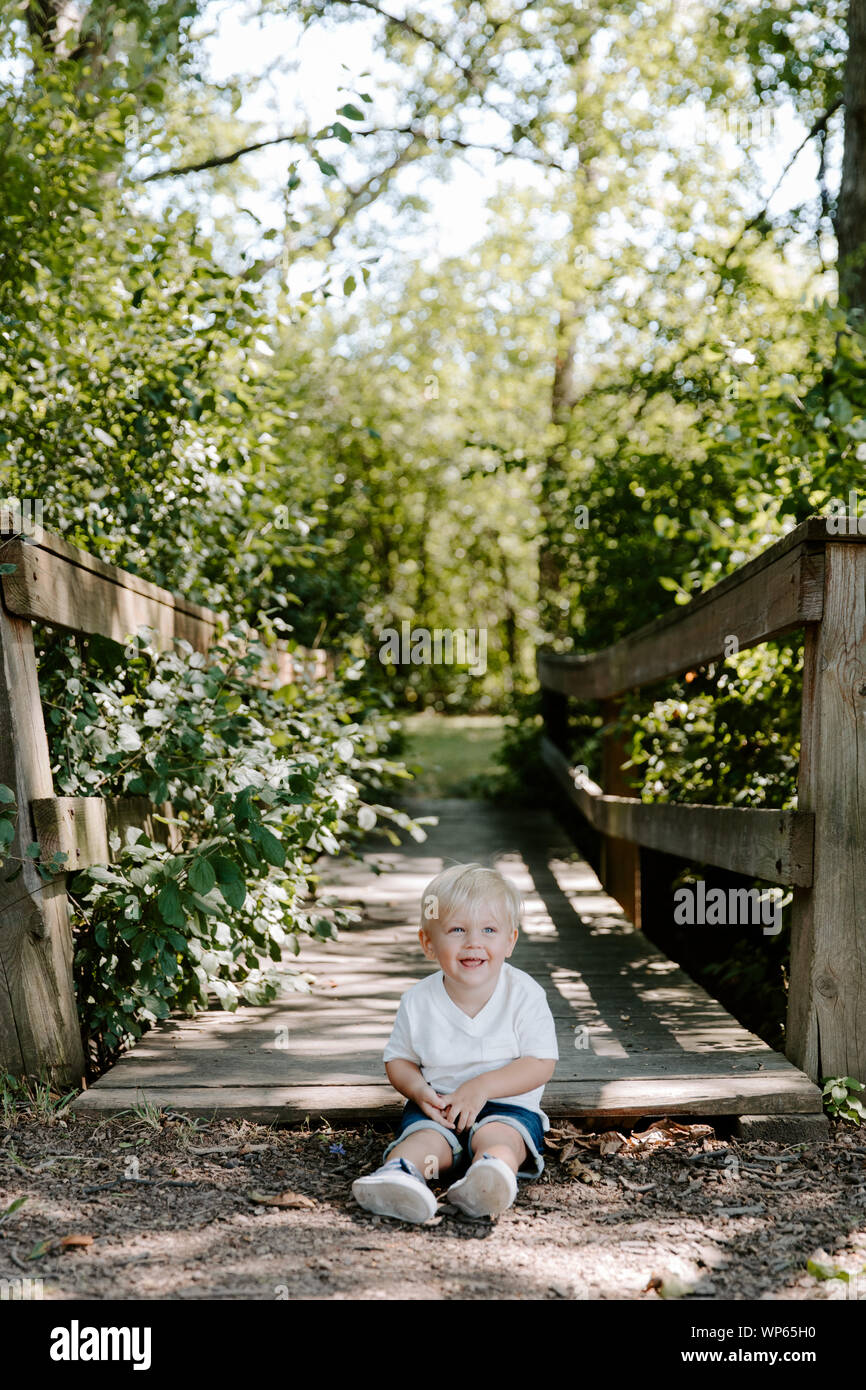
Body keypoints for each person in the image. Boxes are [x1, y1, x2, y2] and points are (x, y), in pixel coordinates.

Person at [351, 861, 559, 1223]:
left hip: (506, 1107)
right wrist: (418, 1091)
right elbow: (399, 1060)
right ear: (428, 943)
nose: (473, 942)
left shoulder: (524, 994)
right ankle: (399, 1177)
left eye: (489, 929)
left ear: (510, 941)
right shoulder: (418, 1000)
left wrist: (482, 1087)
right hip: (440, 1108)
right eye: (458, 929)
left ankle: (488, 1177)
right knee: (422, 1143)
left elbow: (541, 1062)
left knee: (501, 1139)